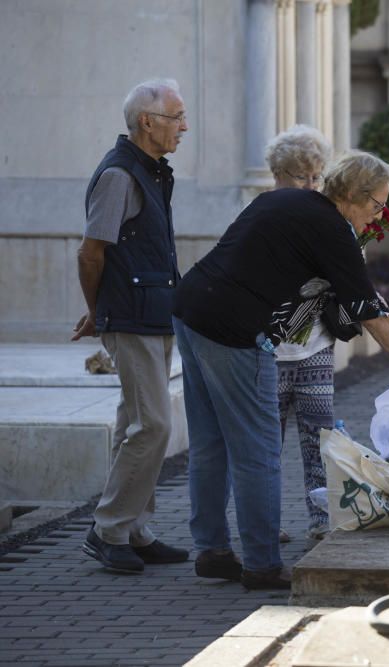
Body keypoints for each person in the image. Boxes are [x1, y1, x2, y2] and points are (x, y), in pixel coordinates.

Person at [173, 150, 389, 590]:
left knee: (210, 444)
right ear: (352, 194)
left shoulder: (286, 201)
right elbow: (374, 316)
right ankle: (261, 564)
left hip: (190, 310)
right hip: (234, 332)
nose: (379, 215)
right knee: (258, 451)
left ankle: (213, 549)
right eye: (376, 205)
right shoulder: (333, 231)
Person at [72, 78, 191, 573]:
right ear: (148, 122)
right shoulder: (120, 175)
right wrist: (98, 310)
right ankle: (108, 530)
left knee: (132, 423)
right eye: (176, 117)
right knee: (154, 425)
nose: (184, 127)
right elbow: (90, 252)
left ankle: (135, 529)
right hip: (132, 318)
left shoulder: (152, 171)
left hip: (153, 314)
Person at [264, 125, 335, 541]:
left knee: (319, 439)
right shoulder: (261, 217)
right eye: (299, 175)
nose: (309, 185)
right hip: (268, 352)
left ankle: (323, 519)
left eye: (315, 177)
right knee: (266, 446)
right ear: (276, 174)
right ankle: (266, 525)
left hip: (316, 348)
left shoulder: (323, 218)